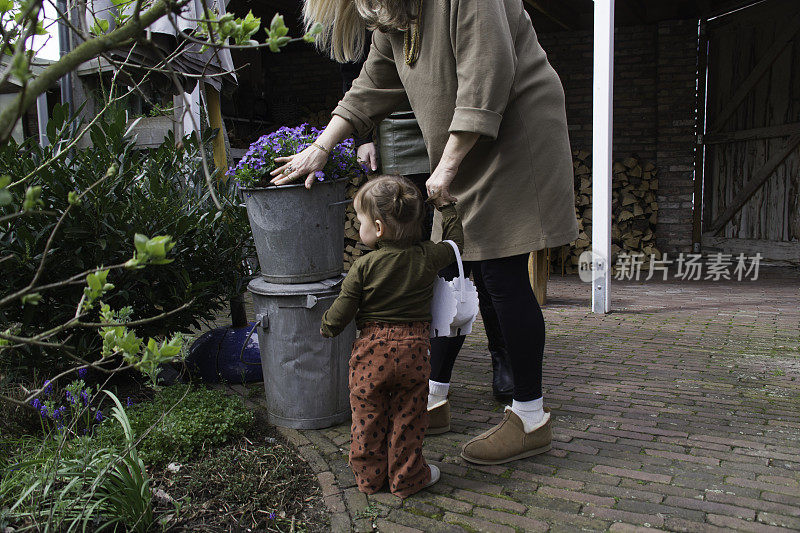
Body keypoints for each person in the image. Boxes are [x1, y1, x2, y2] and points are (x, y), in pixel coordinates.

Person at [273, 0, 579, 465]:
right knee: (451, 272)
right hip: (462, 143)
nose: (371, 12)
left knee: (500, 275)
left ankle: (530, 418)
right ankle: (432, 398)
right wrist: (320, 147)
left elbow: (486, 76)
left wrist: (447, 167)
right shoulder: (392, 15)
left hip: (515, 136)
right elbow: (369, 87)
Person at [341, 39, 515, 402]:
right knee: (410, 249)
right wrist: (365, 135)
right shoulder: (376, 23)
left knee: (479, 256)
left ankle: (503, 358)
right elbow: (365, 79)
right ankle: (425, 359)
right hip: (396, 126)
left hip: (452, 119)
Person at [320, 175, 464, 498]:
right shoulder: (426, 255)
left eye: (360, 221)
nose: (358, 228)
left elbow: (342, 310)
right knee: (409, 416)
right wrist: (447, 208)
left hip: (372, 351)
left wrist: (327, 325)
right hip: (415, 350)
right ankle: (407, 477)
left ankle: (370, 479)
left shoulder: (363, 266)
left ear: (379, 228)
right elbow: (455, 246)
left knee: (367, 414)